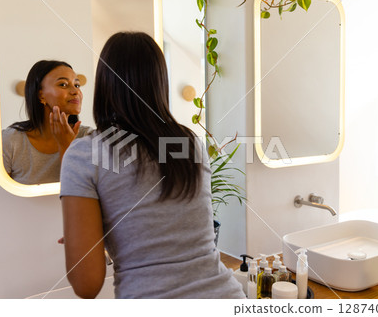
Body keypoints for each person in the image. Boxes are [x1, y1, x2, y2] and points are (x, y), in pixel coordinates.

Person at [59, 32, 245, 299]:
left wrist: (86, 235)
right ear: (160, 83)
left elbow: (86, 285)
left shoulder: (84, 154)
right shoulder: (189, 143)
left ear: (105, 84)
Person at [2, 60, 92, 184]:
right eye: (63, 85)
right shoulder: (11, 141)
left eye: (77, 85)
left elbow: (84, 191)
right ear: (41, 95)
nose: (75, 91)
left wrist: (67, 146)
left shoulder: (89, 138)